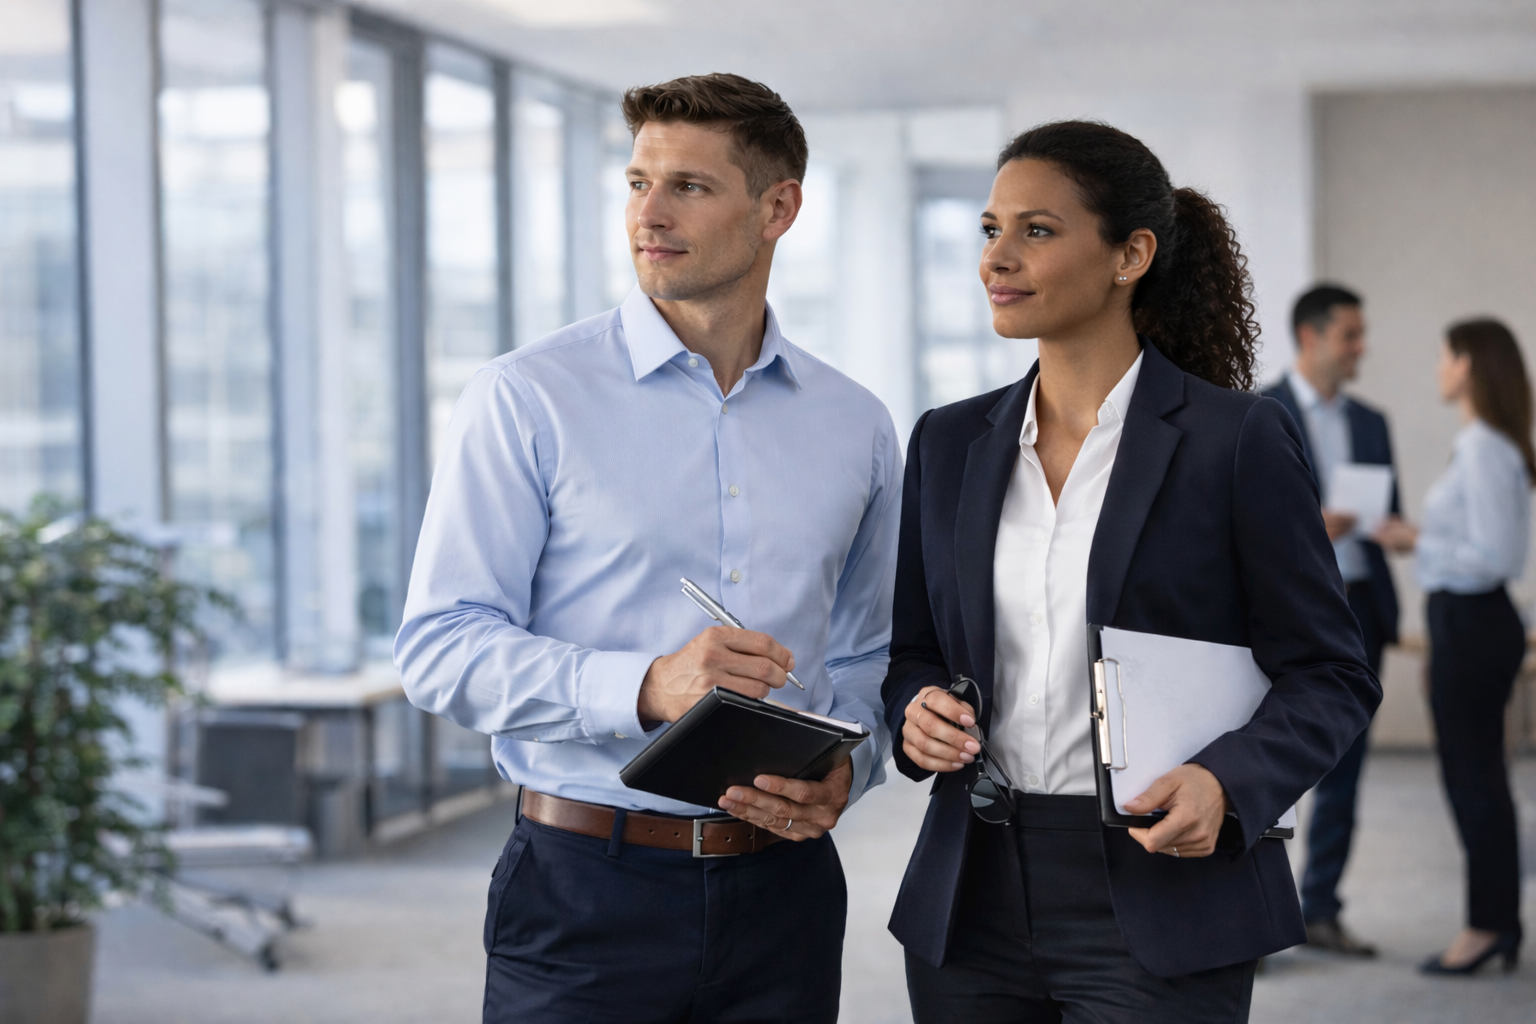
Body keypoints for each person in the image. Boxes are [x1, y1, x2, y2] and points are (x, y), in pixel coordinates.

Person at [395, 73, 901, 1023]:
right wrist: (645, 686)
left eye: (689, 188)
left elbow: (871, 652)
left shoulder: (857, 425)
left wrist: (852, 763)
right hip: (586, 890)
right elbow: (440, 647)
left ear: (777, 207)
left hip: (786, 893)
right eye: (636, 183)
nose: (648, 214)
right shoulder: (526, 397)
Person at [882, 120, 1380, 1023]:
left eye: (1037, 230)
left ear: (1131, 254)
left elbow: (1332, 674)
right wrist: (914, 712)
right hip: (973, 894)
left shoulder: (1236, 440)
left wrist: (1228, 782)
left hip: (1159, 887)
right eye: (990, 230)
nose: (999, 257)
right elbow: (912, 650)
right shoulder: (949, 443)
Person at [1373, 318, 1530, 975]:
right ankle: (1491, 921)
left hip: (1474, 619)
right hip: (1461, 623)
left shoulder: (1486, 448)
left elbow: (1496, 558)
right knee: (1473, 777)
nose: (1439, 367)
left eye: (1445, 356)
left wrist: (1417, 543)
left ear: (1468, 364)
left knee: (1476, 781)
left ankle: (1488, 925)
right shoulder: (1483, 446)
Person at [1264, 284, 1399, 957]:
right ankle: (1254, 919)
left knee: (1346, 768)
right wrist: (1308, 528)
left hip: (1361, 608)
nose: (1360, 349)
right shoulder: (1258, 412)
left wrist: (1389, 528)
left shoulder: (1372, 422)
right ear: (1311, 337)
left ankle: (1321, 910)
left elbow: (1386, 507)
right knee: (1262, 763)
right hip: (1280, 614)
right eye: (1351, 335)